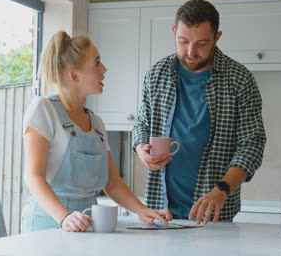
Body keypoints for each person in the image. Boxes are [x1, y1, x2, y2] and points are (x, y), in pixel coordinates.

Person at [21, 31, 172, 232]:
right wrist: (64, 217)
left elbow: (112, 182)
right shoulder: (43, 109)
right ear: (74, 75)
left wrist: (142, 210)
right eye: (97, 63)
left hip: (88, 224)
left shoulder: (97, 123)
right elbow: (34, 177)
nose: (104, 69)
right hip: (48, 223)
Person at [133, 0, 266, 224]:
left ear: (217, 37)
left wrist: (221, 190)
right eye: (183, 41)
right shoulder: (156, 75)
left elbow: (252, 144)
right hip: (160, 213)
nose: (191, 51)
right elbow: (142, 125)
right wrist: (140, 149)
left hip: (214, 216)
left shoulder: (239, 79)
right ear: (174, 32)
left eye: (202, 43)